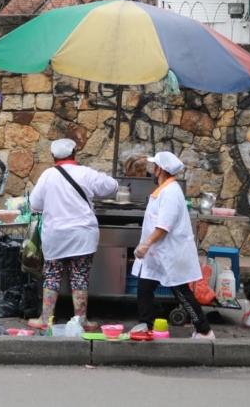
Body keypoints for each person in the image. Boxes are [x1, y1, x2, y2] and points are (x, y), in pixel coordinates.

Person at [26, 138, 119, 331]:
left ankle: (45, 319)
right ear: (74, 153)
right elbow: (112, 186)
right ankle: (81, 320)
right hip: (82, 235)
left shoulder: (47, 176)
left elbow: (34, 205)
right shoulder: (86, 173)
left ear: (53, 156)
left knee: (52, 275)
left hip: (55, 236)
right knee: (80, 277)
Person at [132, 151, 214, 339]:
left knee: (180, 291)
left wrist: (145, 244)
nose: (152, 170)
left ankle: (204, 330)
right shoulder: (164, 190)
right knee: (144, 286)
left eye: (154, 167)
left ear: (159, 169)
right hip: (157, 254)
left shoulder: (169, 193)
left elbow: (163, 227)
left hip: (170, 253)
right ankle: (145, 325)